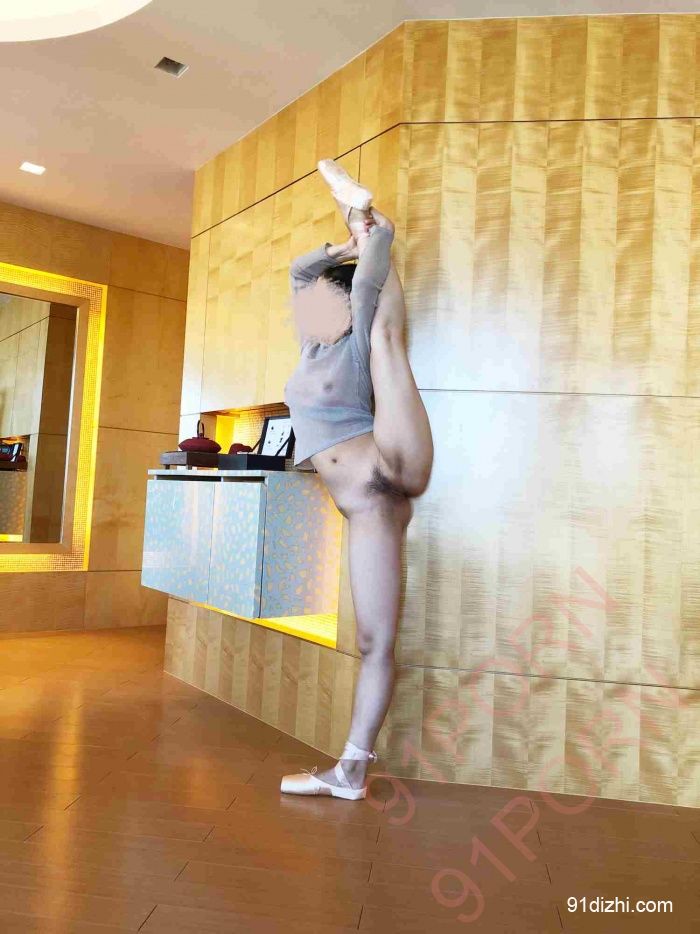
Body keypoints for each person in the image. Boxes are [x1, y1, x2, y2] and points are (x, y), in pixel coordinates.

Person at [280, 159, 434, 800]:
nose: (319, 304)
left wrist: (367, 233)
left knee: (385, 336)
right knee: (375, 640)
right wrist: (340, 244)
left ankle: (372, 221)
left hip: (389, 464)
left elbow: (365, 289)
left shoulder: (352, 338)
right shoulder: (312, 346)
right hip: (370, 508)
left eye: (333, 298)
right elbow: (299, 273)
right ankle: (350, 773)